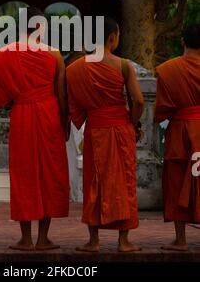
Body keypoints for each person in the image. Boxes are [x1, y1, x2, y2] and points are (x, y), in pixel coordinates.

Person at [0, 6, 69, 251]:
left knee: (23, 173)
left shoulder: (4, 54)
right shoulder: (54, 55)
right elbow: (62, 93)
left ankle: (25, 238)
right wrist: (65, 122)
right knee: (49, 172)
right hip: (49, 115)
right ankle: (43, 237)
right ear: (40, 27)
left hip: (22, 115)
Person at [66, 17, 144, 253]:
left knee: (94, 180)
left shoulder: (75, 68)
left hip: (95, 129)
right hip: (120, 127)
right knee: (124, 180)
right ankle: (123, 240)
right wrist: (132, 120)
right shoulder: (122, 65)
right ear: (112, 37)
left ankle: (93, 240)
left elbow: (73, 102)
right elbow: (139, 100)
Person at [155, 23, 200, 251]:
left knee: (176, 180)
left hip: (180, 130)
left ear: (183, 41)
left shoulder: (167, 69)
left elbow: (162, 107)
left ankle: (181, 240)